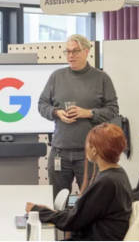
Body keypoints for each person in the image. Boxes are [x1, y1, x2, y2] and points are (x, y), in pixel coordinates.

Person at [39, 34, 119, 198]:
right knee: (58, 201)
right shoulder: (56, 77)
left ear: (86, 51)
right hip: (60, 151)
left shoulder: (101, 78)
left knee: (91, 200)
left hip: (91, 153)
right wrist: (56, 112)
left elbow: (113, 110)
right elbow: (42, 104)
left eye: (75, 51)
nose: (70, 56)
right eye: (67, 51)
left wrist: (88, 113)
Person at [26, 123, 132, 242]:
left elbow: (73, 221)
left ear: (94, 149)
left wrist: (40, 212)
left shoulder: (106, 182)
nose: (85, 146)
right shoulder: (119, 174)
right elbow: (83, 213)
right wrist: (52, 212)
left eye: (87, 143)